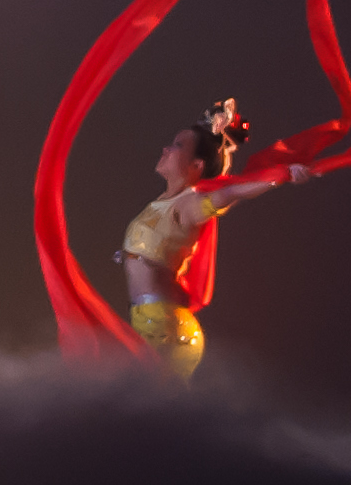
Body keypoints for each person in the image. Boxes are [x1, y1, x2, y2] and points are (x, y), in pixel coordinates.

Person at [114, 98, 314, 381]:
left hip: (166, 330)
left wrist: (280, 176)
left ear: (196, 165)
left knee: (146, 407)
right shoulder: (159, 204)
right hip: (149, 320)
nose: (166, 149)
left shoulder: (190, 204)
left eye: (177, 146)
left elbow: (231, 194)